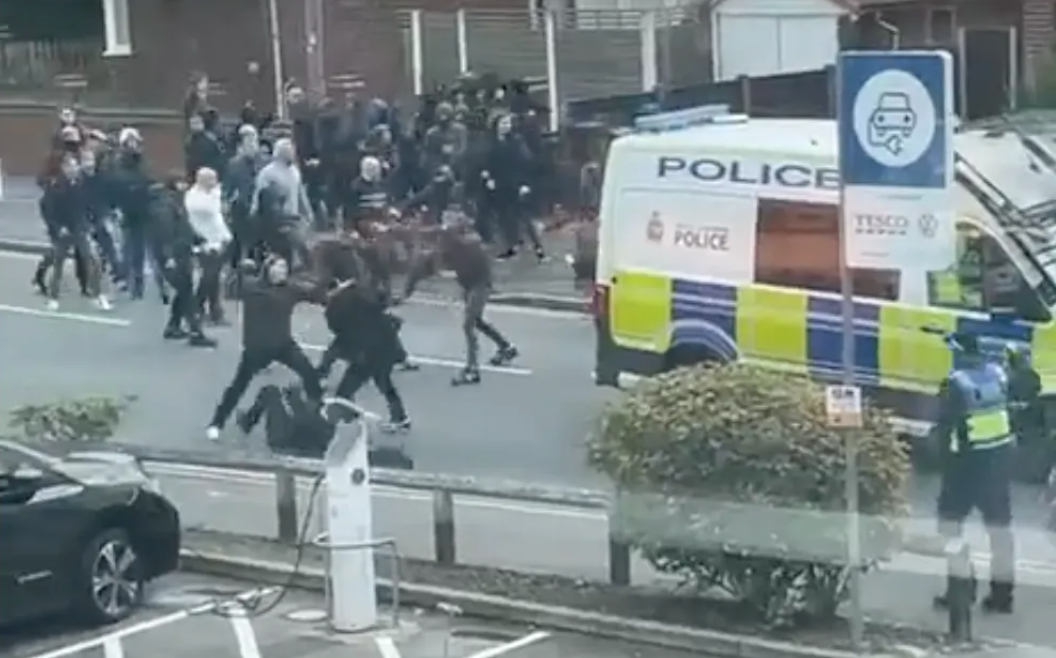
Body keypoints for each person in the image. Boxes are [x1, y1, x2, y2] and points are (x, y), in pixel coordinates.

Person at [932, 332, 1015, 614]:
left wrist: (942, 462)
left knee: (951, 526)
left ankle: (960, 592)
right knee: (1000, 530)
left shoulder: (955, 384)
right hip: (998, 461)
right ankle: (1003, 596)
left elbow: (944, 428)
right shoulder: (997, 374)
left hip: (964, 466)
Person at [206, 256, 324, 440]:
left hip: (283, 345)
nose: (283, 271)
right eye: (278, 266)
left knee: (310, 374)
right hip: (256, 349)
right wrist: (238, 270)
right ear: (268, 269)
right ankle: (216, 423)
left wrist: (330, 283)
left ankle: (318, 417)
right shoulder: (251, 287)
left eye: (285, 267)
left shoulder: (291, 289)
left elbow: (317, 296)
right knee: (237, 387)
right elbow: (230, 290)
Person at [396, 216, 517, 386]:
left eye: (443, 239)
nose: (439, 243)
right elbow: (421, 268)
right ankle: (506, 347)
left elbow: (474, 257)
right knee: (477, 322)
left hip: (480, 285)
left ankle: (472, 369)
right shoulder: (449, 248)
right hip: (469, 285)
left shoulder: (470, 245)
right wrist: (407, 291)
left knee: (469, 324)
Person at [318, 278, 411, 432]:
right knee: (385, 385)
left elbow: (339, 331)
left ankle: (346, 421)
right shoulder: (362, 290)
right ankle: (400, 418)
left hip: (366, 353)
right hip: (384, 347)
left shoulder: (335, 307)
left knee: (344, 391)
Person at [148, 173, 216, 347]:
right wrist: (169, 256)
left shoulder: (176, 202)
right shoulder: (164, 205)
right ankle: (196, 332)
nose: (185, 186)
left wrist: (199, 239)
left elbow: (184, 227)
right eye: (182, 183)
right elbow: (165, 233)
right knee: (186, 293)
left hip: (181, 253)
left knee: (184, 289)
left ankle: (174, 325)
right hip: (173, 256)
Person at [40, 154, 110, 311]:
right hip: (63, 230)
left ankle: (98, 295)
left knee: (93, 261)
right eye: (70, 166)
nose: (74, 168)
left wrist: (90, 221)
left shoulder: (81, 183)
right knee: (59, 264)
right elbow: (47, 209)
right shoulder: (56, 185)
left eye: (75, 165)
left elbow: (87, 204)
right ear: (64, 168)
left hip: (79, 228)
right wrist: (57, 228)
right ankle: (53, 297)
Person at [251, 138, 313, 268]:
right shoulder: (267, 173)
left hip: (293, 218)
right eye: (290, 152)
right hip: (275, 221)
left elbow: (301, 193)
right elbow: (259, 196)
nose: (293, 154)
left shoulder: (295, 171)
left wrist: (308, 212)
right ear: (281, 154)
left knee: (302, 245)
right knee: (290, 249)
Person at [184, 167, 231, 324]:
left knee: (214, 278)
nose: (215, 183)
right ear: (202, 180)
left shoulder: (211, 194)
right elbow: (210, 210)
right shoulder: (195, 198)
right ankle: (198, 307)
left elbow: (218, 219)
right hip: (203, 243)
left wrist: (225, 237)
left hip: (216, 241)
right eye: (212, 179)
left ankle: (214, 311)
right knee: (208, 278)